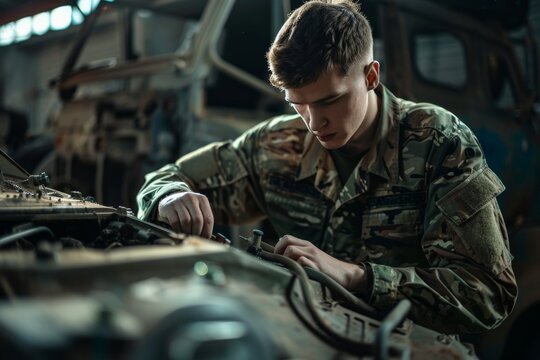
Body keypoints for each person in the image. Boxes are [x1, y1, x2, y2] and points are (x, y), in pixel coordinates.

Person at [137, 0, 517, 334]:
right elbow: (166, 179)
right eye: (297, 103)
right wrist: (170, 195)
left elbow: (488, 294)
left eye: (330, 101)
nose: (314, 123)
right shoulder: (276, 144)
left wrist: (357, 276)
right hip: (301, 334)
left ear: (371, 76)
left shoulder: (438, 141)